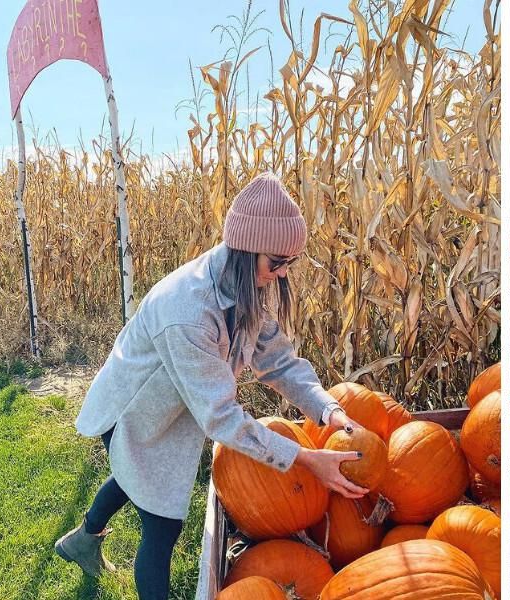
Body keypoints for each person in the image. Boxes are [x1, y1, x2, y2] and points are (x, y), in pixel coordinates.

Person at [54, 173, 369, 600]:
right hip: (135, 407)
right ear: (244, 248)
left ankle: (80, 540)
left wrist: (326, 408)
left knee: (135, 477)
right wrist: (304, 459)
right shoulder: (188, 310)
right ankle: (86, 542)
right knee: (161, 521)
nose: (280, 275)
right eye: (275, 262)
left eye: (289, 264)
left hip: (176, 402)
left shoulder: (247, 284)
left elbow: (276, 360)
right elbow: (221, 416)